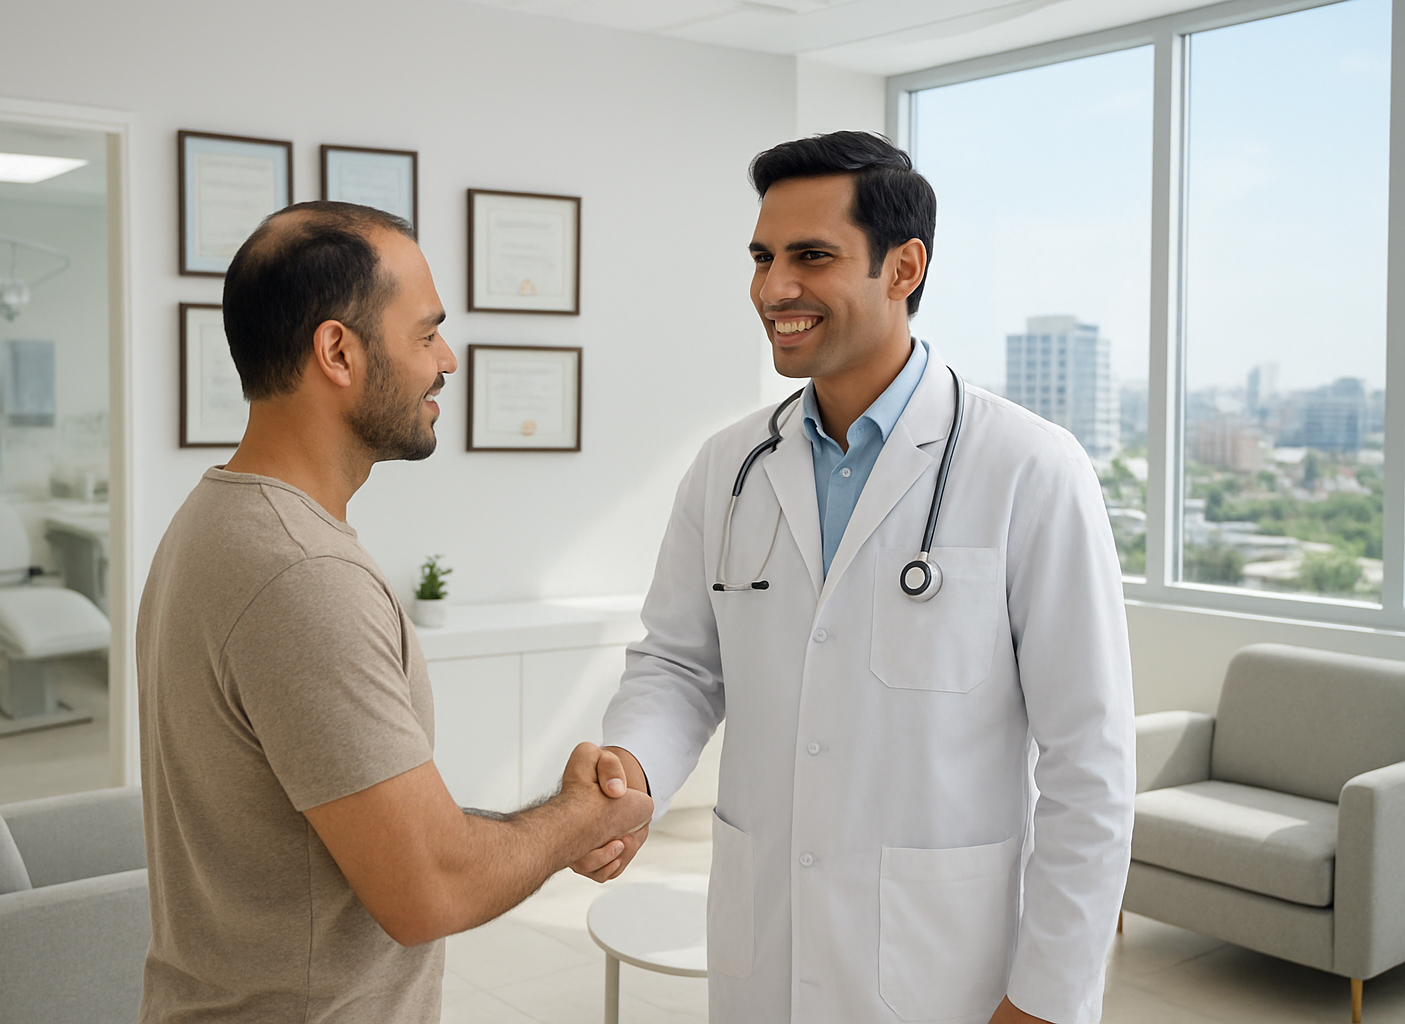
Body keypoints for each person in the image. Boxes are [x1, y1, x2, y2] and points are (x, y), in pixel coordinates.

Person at [580, 133, 1135, 1024]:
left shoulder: (1029, 468)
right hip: (768, 944)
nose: (772, 289)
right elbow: (680, 665)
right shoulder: (729, 467)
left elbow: (1090, 765)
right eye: (763, 258)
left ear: (903, 267)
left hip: (945, 966)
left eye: (811, 257)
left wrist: (1046, 998)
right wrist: (633, 768)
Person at [136, 201, 651, 1023]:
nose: (446, 360)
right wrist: (585, 814)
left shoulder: (220, 519)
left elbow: (350, 825)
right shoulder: (302, 575)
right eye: (425, 334)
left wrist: (552, 825)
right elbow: (427, 890)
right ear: (338, 350)